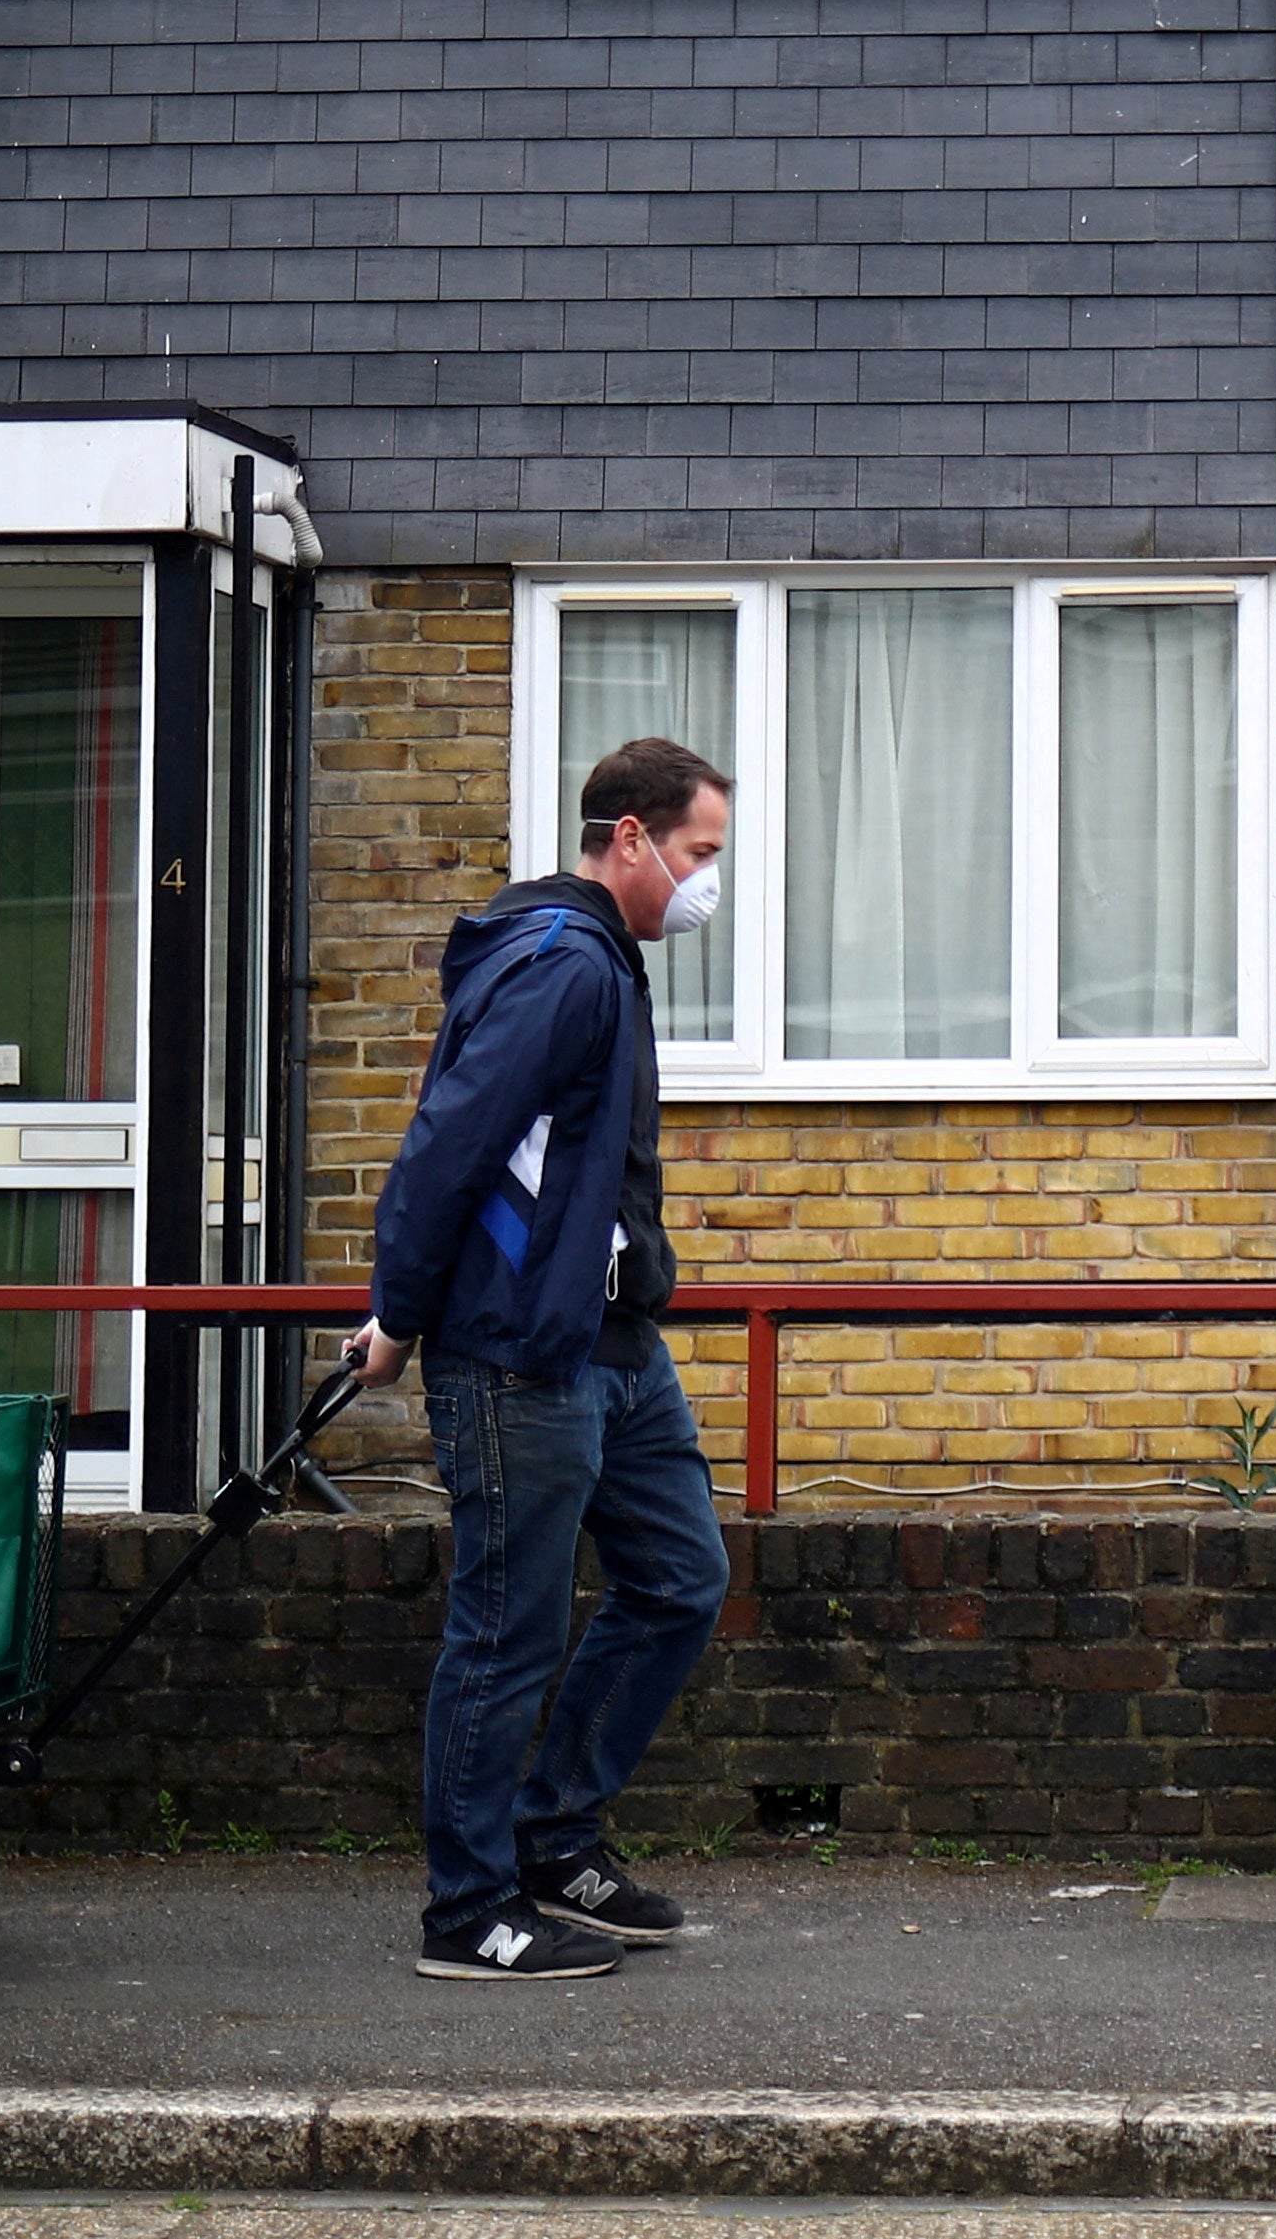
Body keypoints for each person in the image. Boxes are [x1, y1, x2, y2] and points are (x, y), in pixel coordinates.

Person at [354, 736, 739, 1982]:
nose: (706, 882)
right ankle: (466, 1908)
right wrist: (400, 1315)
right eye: (699, 854)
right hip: (519, 1351)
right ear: (630, 836)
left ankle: (552, 1838)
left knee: (679, 1575)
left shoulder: (600, 963)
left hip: (610, 1343)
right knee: (505, 1631)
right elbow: (447, 1142)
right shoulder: (562, 966)